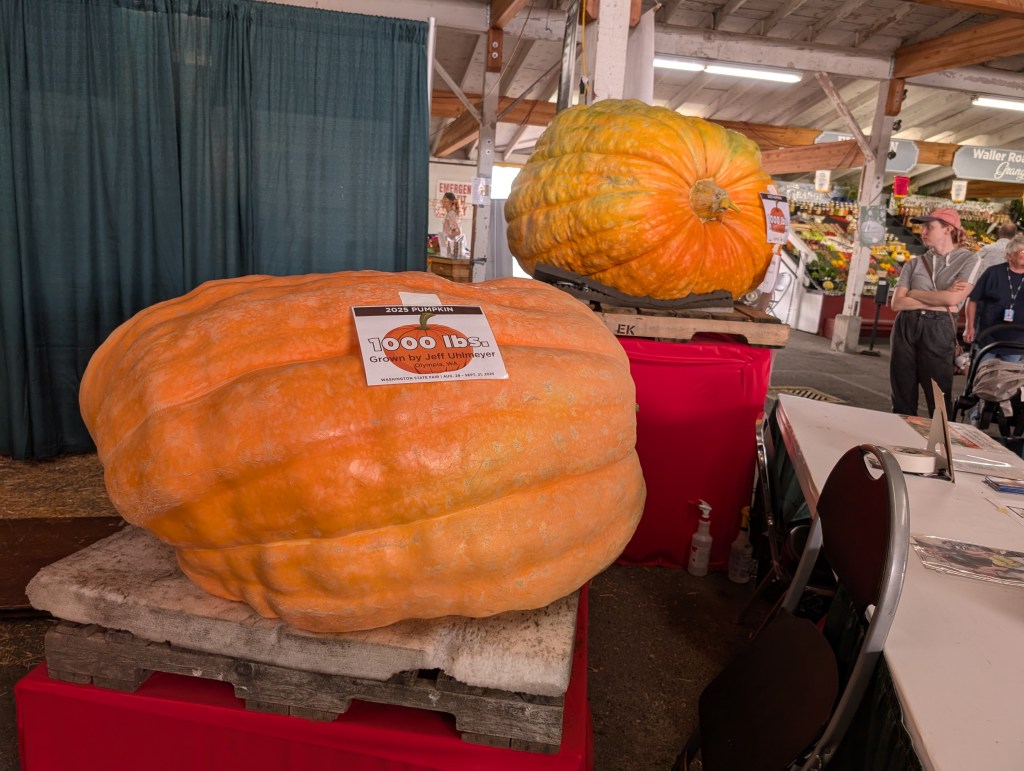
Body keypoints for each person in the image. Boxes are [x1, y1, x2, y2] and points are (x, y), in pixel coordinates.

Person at [890, 207, 982, 416]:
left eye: (929, 227)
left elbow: (952, 301)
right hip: (905, 326)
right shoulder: (914, 263)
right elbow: (897, 303)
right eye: (922, 227)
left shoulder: (970, 260)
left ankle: (940, 437)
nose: (922, 232)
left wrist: (914, 293)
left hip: (939, 328)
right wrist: (940, 297)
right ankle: (902, 434)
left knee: (938, 397)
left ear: (948, 229)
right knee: (902, 393)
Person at [964, 234, 1024, 363]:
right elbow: (973, 300)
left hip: (1016, 341)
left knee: (1008, 375)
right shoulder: (993, 273)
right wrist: (969, 327)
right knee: (982, 372)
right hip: (988, 336)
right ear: (1009, 256)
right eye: (1022, 252)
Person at [441, 192, 465, 259]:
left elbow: (457, 231)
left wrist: (446, 237)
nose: (442, 201)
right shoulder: (449, 214)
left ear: (450, 202)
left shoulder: (451, 214)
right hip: (448, 246)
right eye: (442, 200)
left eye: (444, 200)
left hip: (451, 247)